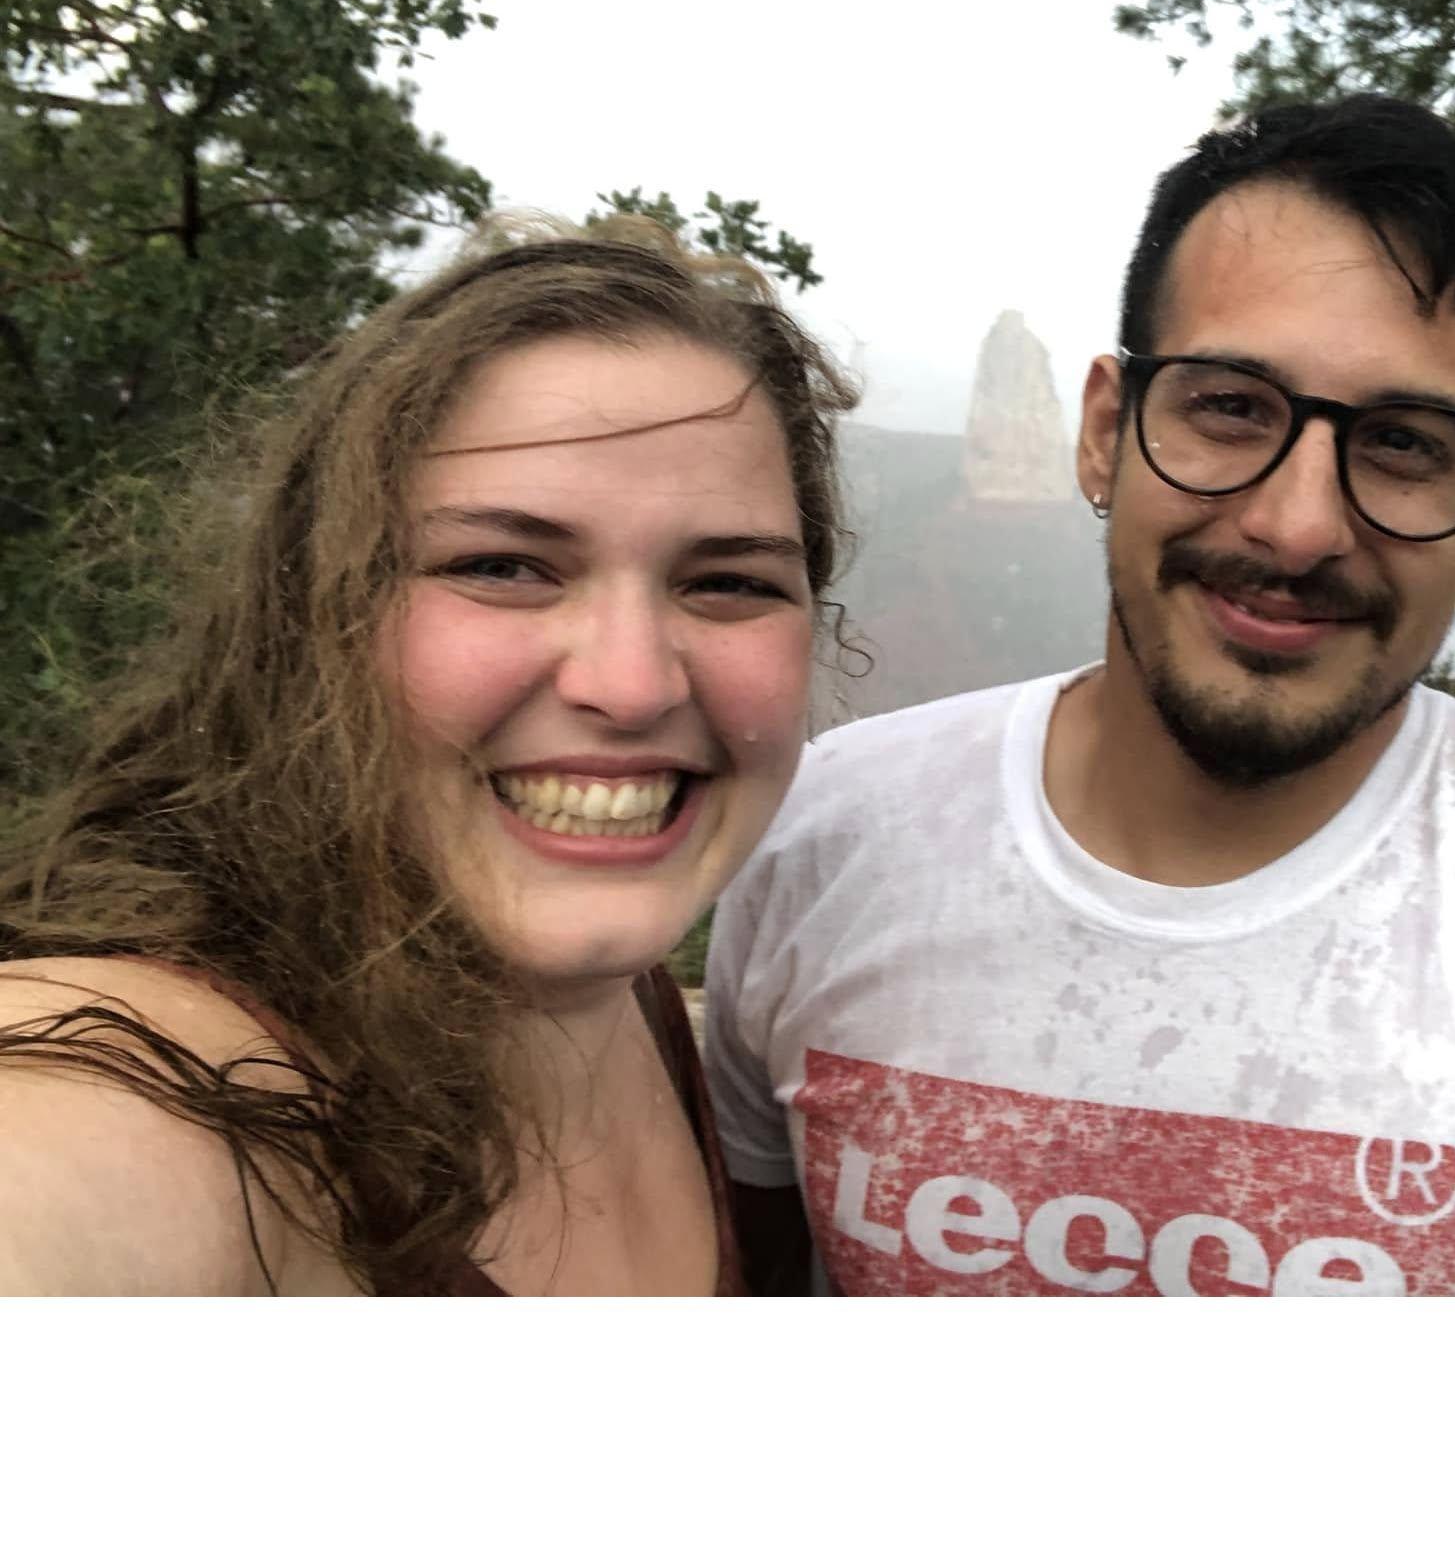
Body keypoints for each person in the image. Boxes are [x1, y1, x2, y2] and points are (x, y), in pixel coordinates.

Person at [706, 94, 1455, 1298]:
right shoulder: (820, 842)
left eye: (1404, 441)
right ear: (1104, 431)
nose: (1298, 524)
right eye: (1228, 406)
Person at [0, 218, 857, 1295]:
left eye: (728, 582)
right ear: (311, 613)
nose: (633, 683)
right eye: (501, 564)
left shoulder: (625, 995)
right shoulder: (160, 1079)